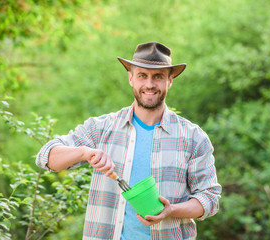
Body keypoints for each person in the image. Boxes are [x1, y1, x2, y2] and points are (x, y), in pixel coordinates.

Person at [36, 42, 221, 240]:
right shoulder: (102, 128)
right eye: (142, 75)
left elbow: (209, 199)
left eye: (158, 76)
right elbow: (46, 156)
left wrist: (171, 210)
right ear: (131, 78)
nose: (149, 84)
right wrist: (84, 153)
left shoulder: (193, 137)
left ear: (170, 80)